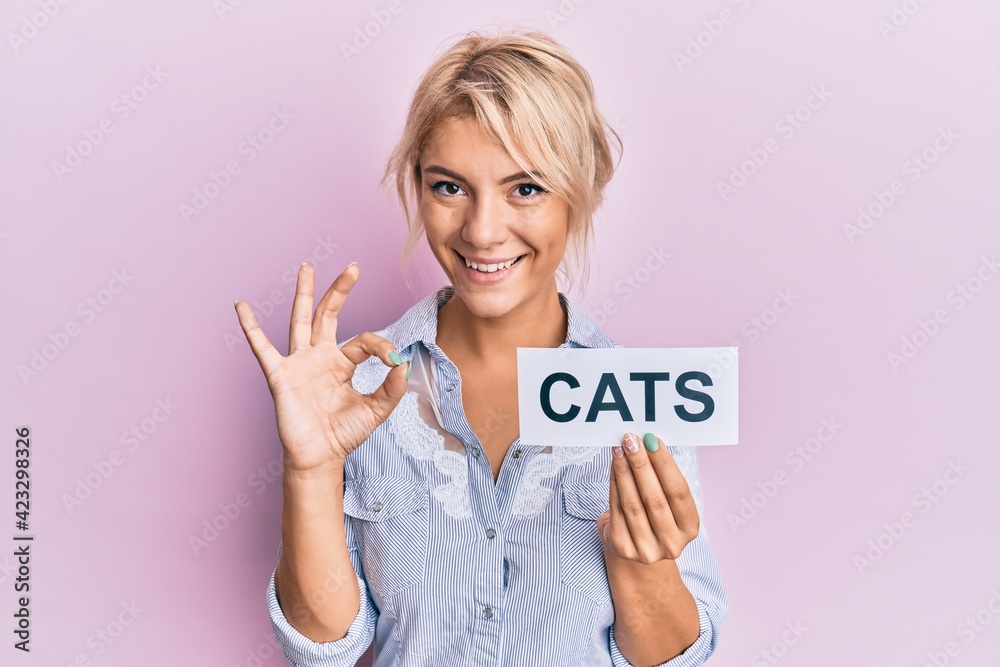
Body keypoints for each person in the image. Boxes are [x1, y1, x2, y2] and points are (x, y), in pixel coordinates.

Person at [234, 27, 727, 667]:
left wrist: (644, 566)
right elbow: (324, 649)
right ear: (418, 185)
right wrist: (310, 470)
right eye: (449, 186)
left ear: (584, 190)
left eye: (525, 188)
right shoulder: (352, 397)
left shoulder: (642, 401)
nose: (482, 230)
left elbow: (676, 658)